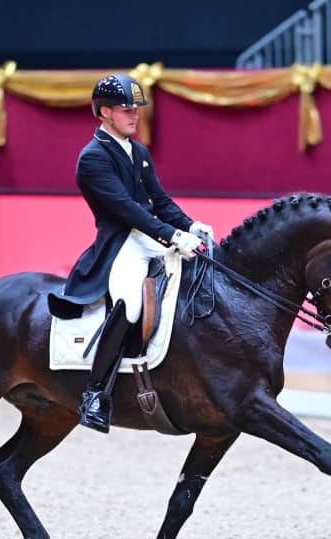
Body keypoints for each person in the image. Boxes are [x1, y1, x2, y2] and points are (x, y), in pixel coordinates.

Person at [48, 73, 211, 434]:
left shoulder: (138, 152)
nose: (134, 116)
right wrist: (172, 236)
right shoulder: (92, 158)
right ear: (104, 112)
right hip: (122, 242)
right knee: (131, 304)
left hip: (150, 237)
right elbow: (127, 209)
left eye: (136, 109)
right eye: (126, 110)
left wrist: (190, 226)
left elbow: (160, 201)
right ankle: (95, 394)